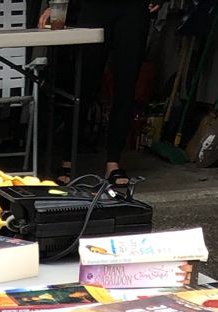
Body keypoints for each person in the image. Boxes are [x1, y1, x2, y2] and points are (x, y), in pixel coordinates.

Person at [40, 0, 152, 184]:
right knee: (83, 83)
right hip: (91, 7)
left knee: (126, 83)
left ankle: (113, 162)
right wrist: (58, 5)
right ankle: (68, 159)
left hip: (133, 9)